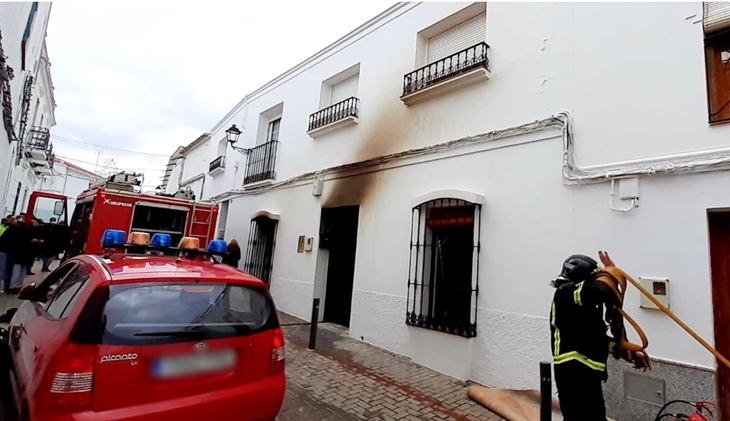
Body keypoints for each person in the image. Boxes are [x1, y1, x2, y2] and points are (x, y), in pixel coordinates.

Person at [549, 251, 628, 421]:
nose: (597, 279)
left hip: (587, 372)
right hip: (573, 371)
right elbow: (599, 289)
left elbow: (592, 336)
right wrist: (610, 271)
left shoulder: (585, 306)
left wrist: (621, 348)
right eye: (593, 276)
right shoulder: (566, 292)